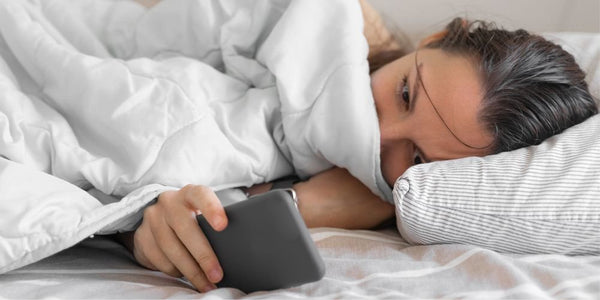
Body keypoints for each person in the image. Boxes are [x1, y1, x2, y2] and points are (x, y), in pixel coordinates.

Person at [118, 2, 598, 293]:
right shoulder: (326, 24)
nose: (379, 133)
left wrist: (153, 225)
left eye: (417, 160)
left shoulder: (385, 201)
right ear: (429, 42)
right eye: (406, 93)